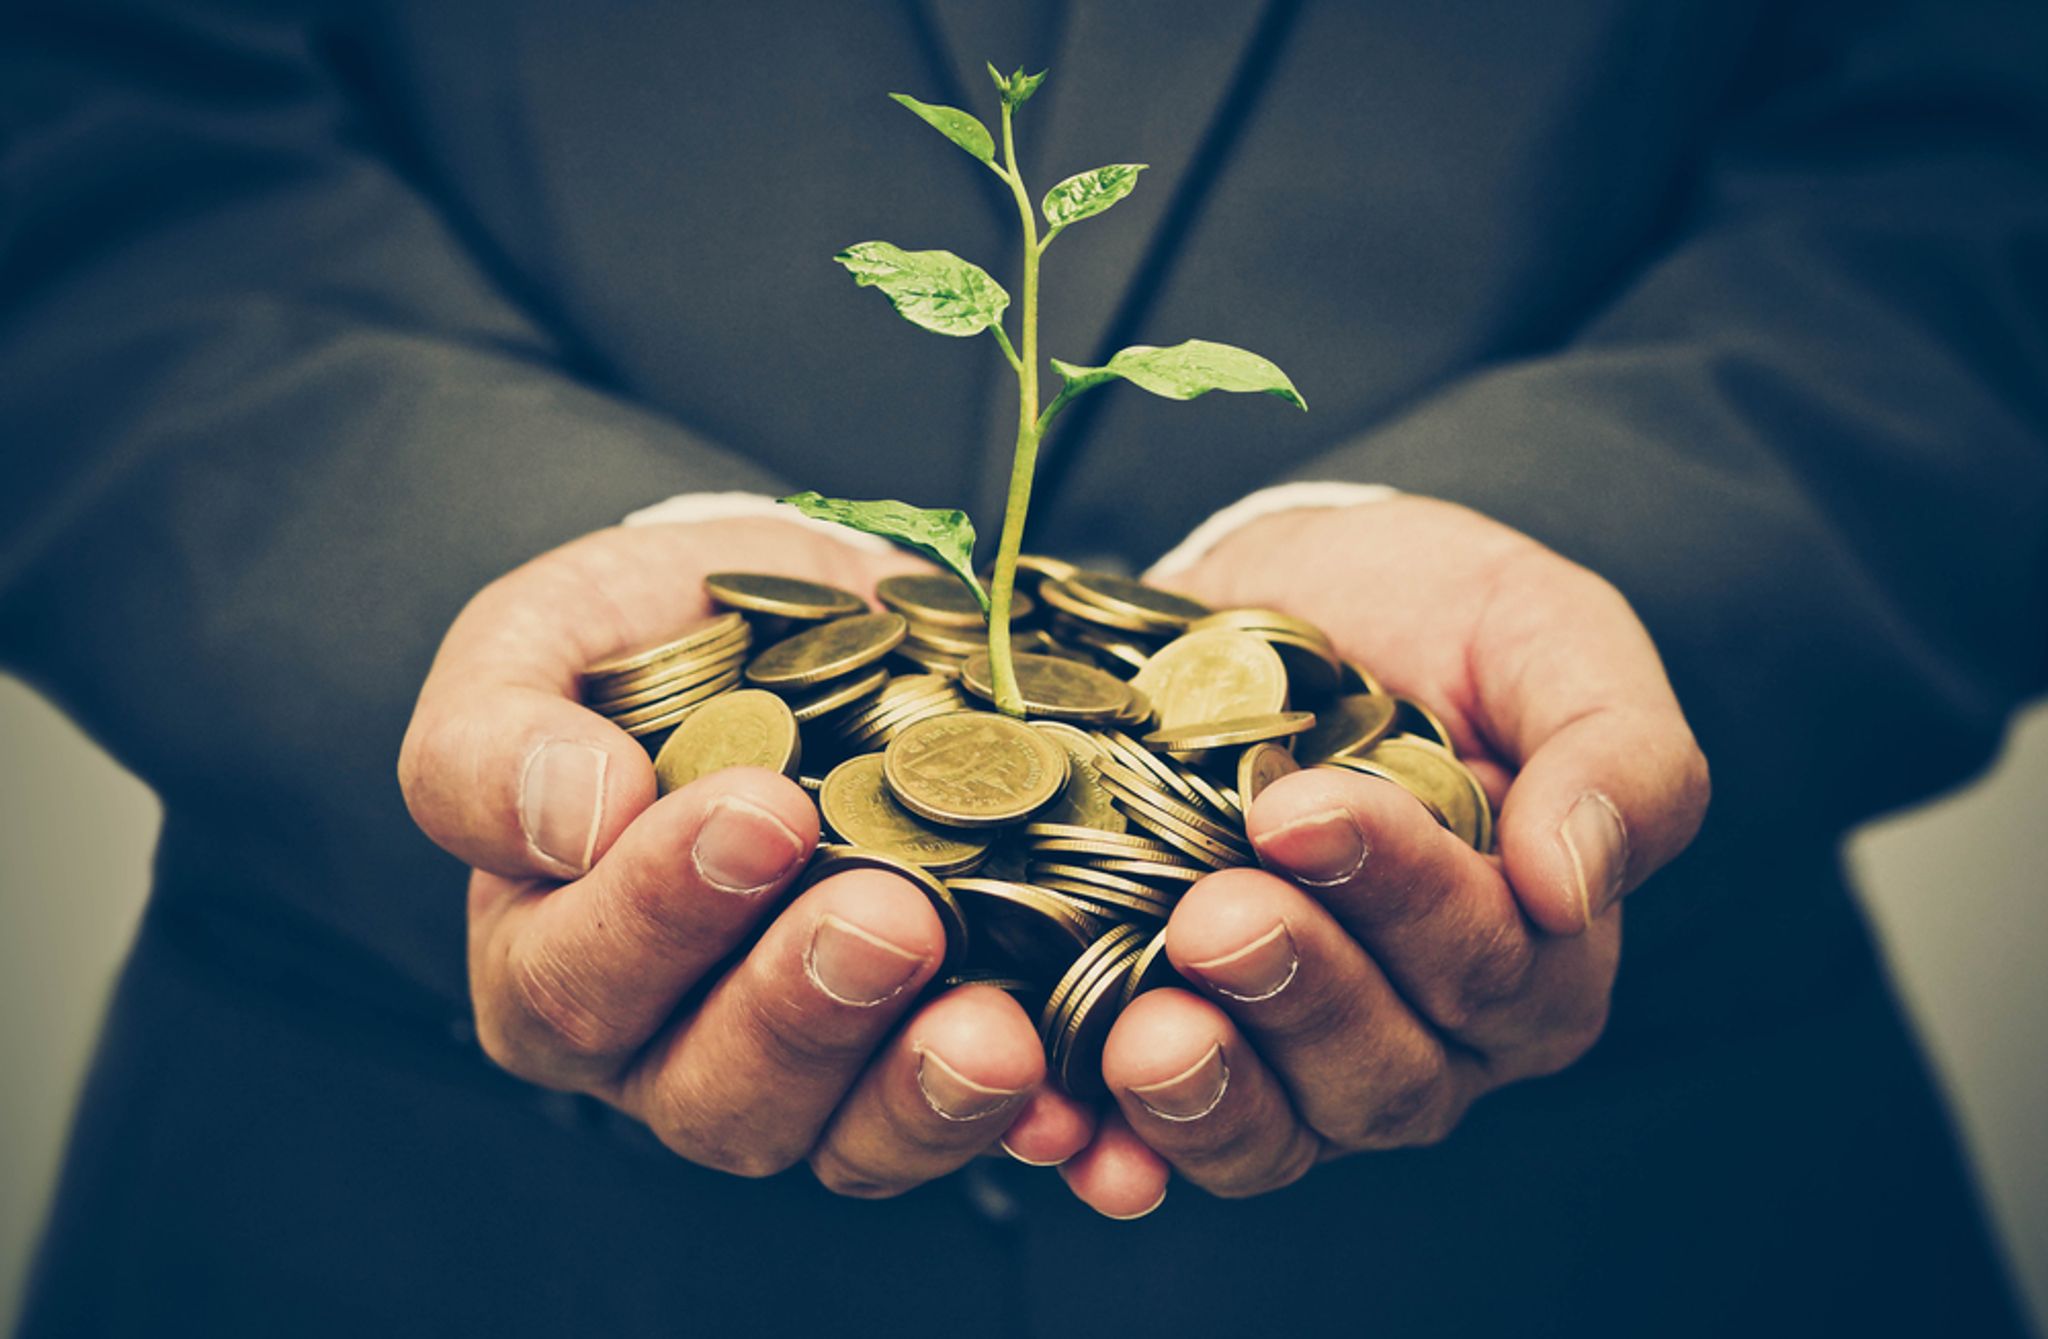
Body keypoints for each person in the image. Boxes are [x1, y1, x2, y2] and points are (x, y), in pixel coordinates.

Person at [3, 0, 2041, 1334]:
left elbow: (1978, 158)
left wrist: (1561, 597)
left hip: (1634, 1235)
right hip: (396, 1223)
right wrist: (540, 611)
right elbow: (79, 142)